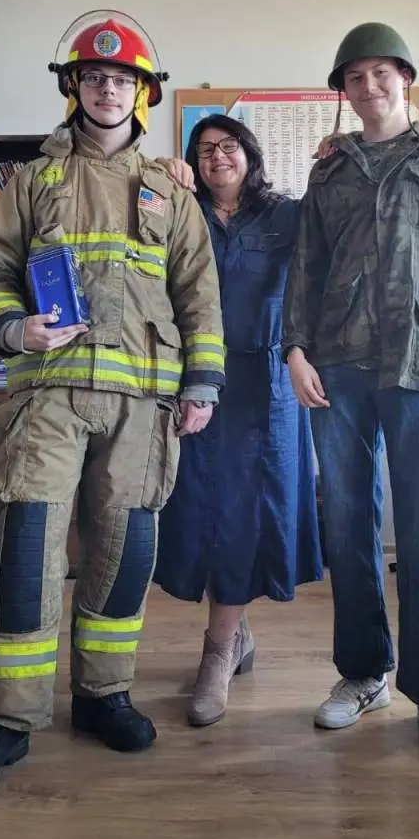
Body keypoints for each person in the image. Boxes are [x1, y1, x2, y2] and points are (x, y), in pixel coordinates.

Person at [0, 11, 225, 799]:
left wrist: (202, 385)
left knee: (126, 550)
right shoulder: (31, 182)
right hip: (47, 395)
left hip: (143, 402)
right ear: (75, 88)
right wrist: (16, 327)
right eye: (96, 77)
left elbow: (200, 296)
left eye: (123, 80)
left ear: (141, 95)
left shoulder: (170, 190)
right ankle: (3, 719)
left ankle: (105, 693)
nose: (108, 89)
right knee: (26, 547)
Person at [283, 21, 419, 757]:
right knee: (347, 522)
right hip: (338, 361)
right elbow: (306, 265)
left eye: (382, 72)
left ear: (404, 78)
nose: (370, 85)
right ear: (343, 91)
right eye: (355, 77)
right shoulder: (329, 171)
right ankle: (362, 672)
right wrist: (294, 349)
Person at [154, 114, 322, 727]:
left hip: (266, 385)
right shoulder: (181, 209)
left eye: (228, 146)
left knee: (248, 514)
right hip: (196, 379)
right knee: (198, 511)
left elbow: (319, 277)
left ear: (250, 154)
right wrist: (157, 171)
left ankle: (218, 649)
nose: (216, 157)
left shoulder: (287, 215)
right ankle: (235, 633)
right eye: (203, 150)